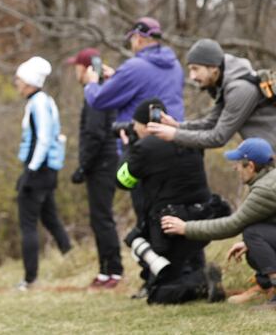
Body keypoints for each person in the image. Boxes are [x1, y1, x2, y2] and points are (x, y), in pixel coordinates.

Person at [115, 98, 224, 305]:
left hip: (170, 227)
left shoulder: (145, 147)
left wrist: (129, 149)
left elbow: (123, 181)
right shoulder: (190, 139)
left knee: (159, 293)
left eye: (136, 125)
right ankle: (200, 275)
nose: (134, 128)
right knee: (182, 264)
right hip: (203, 217)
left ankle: (200, 281)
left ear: (146, 126)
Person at [161, 138, 276, 307]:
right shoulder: (269, 178)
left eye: (238, 163)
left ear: (250, 166)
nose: (235, 167)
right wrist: (253, 243)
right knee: (253, 244)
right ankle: (266, 286)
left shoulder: (264, 190)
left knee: (252, 232)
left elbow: (231, 225)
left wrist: (186, 227)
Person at [148, 38, 276, 149]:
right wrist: (176, 125)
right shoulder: (225, 84)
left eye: (195, 69)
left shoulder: (240, 89)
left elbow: (218, 137)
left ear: (213, 67)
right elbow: (211, 123)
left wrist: (174, 134)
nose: (192, 76)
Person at [67, 48, 123, 288]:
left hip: (102, 163)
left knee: (102, 218)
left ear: (87, 68)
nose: (75, 72)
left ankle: (113, 272)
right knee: (100, 218)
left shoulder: (96, 94)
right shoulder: (101, 91)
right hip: (102, 161)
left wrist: (83, 166)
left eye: (77, 67)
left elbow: (94, 133)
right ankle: (106, 270)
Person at [13, 56, 71, 290]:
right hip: (47, 171)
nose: (16, 83)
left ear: (28, 81)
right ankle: (72, 258)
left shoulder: (38, 103)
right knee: (50, 217)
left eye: (18, 78)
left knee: (28, 224)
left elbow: (44, 138)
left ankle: (29, 279)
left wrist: (30, 171)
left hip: (39, 171)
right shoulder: (42, 100)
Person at [84, 17, 184, 125]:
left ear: (138, 39)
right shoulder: (176, 65)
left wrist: (92, 83)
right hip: (172, 135)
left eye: (132, 39)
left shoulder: (134, 67)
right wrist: (117, 77)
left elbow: (98, 100)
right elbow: (150, 85)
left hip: (141, 138)